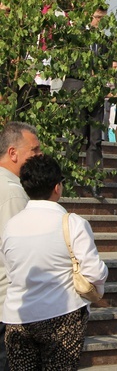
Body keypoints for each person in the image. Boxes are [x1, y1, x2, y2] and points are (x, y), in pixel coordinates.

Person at [1, 154, 108, 369]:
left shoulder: (10, 226)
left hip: (17, 316)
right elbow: (94, 272)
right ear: (57, 187)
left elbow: (11, 270)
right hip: (62, 314)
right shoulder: (73, 223)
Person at [0, 122, 41, 369]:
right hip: (7, 305)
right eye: (34, 150)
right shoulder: (12, 193)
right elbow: (17, 255)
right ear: (13, 153)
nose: (39, 156)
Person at [60, 6, 109, 170]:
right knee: (78, 135)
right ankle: (67, 174)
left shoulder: (103, 40)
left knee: (96, 138)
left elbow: (107, 65)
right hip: (79, 89)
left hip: (96, 92)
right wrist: (89, 74)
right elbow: (70, 65)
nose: (101, 22)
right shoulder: (76, 36)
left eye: (104, 19)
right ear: (89, 15)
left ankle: (95, 178)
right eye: (98, 17)